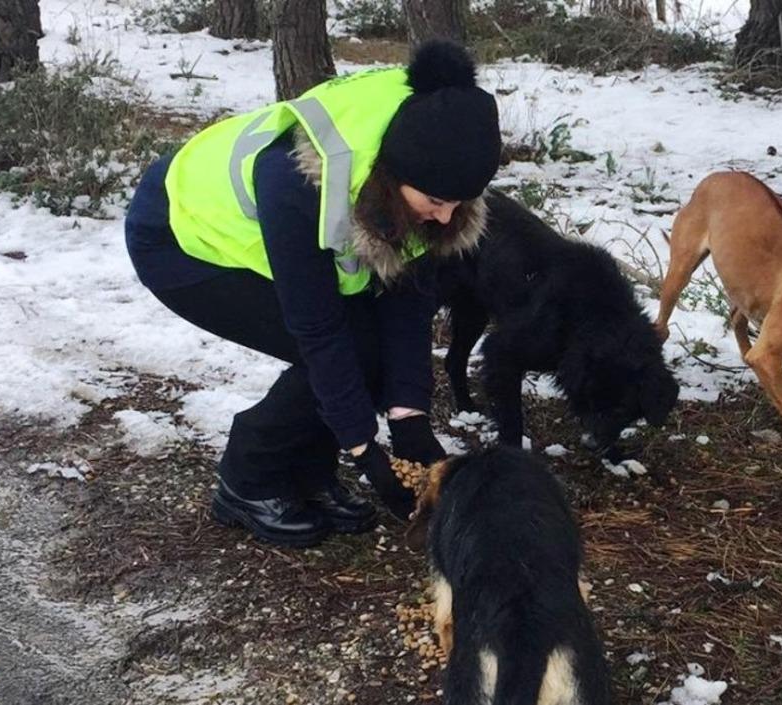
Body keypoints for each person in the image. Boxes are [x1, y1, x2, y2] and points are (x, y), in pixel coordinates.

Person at [123, 40, 502, 547]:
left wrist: (408, 414)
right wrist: (365, 451)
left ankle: (306, 473)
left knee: (365, 350)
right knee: (347, 347)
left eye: (459, 204)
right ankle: (248, 477)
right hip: (180, 238)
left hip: (265, 233)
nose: (446, 217)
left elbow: (409, 300)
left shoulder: (432, 142)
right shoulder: (302, 182)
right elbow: (318, 329)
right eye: (435, 202)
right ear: (391, 177)